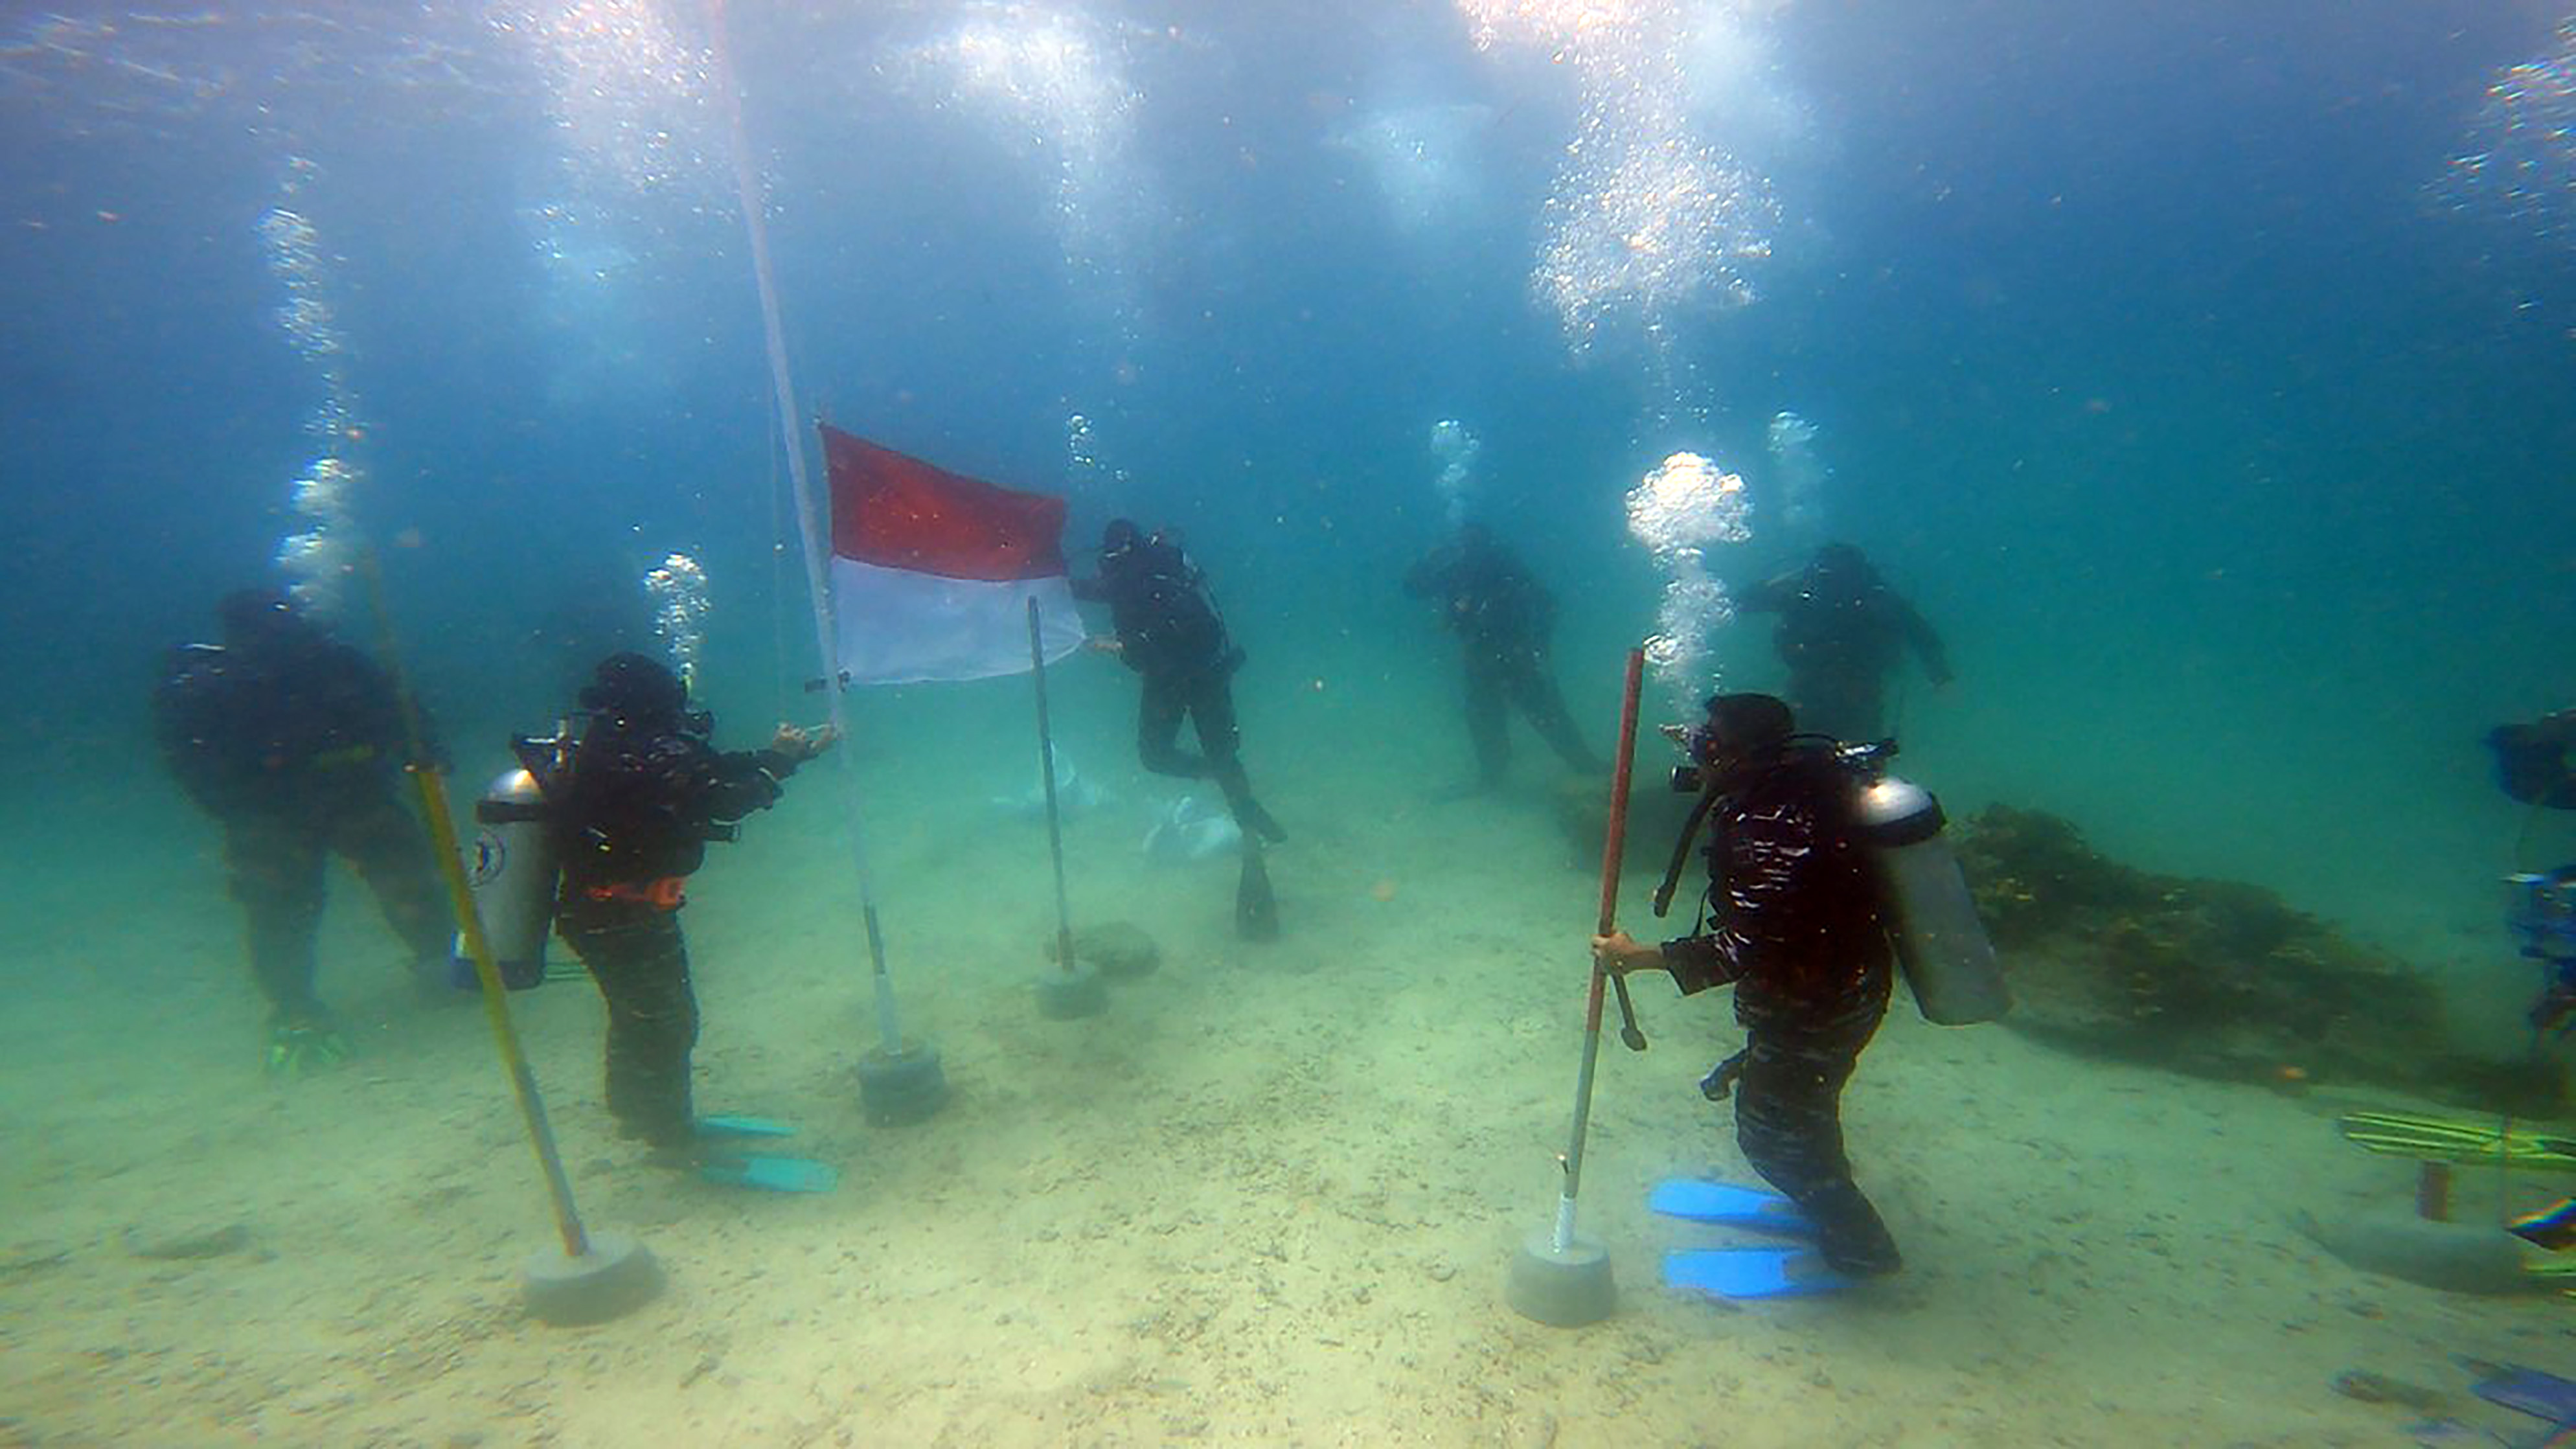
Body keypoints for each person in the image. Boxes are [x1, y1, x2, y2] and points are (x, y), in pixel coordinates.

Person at [1591, 692, 1904, 1280]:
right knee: (1802, 1116)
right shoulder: (1791, 778)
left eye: (1709, 741)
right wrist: (1694, 740)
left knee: (1774, 1138)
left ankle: (1862, 1249)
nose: (1699, 748)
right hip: (1829, 987)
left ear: (1736, 752)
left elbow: (1750, 945)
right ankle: (1822, 1188)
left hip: (1820, 1002)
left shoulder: (1769, 825)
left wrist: (1640, 957)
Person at [543, 652, 835, 1159]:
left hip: (606, 913)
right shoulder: (642, 750)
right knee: (667, 1022)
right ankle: (668, 1134)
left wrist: (780, 757)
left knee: (639, 1017)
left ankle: (638, 1115)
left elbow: (710, 770)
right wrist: (779, 764)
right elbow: (718, 797)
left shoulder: (615, 743)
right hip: (621, 916)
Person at [153, 587, 454, 1075]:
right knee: (287, 908)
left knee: (398, 883)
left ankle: (430, 963)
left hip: (330, 796)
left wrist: (426, 748)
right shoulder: (218, 681)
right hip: (280, 808)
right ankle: (297, 1008)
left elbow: (399, 711)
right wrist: (237, 806)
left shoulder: (324, 663)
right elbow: (190, 756)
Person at [1072, 519, 1286, 843]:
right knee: (1216, 755)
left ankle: (1234, 794)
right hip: (1200, 673)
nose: (1105, 569)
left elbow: (1174, 621)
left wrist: (1120, 644)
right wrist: (1054, 582)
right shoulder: (1152, 570)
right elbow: (1095, 590)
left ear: (1120, 552)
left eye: (1110, 560)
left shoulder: (1135, 577)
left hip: (1180, 677)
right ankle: (1238, 796)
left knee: (1159, 755)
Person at [1402, 522, 1603, 792]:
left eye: (1475, 541)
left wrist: (1541, 643)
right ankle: (1495, 774)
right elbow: (1414, 589)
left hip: (1510, 651)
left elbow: (1546, 601)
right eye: (1467, 542)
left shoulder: (1500, 563)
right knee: (1491, 714)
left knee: (1534, 710)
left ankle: (1580, 763)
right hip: (1486, 653)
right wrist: (1428, 561)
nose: (1472, 548)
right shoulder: (1458, 569)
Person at [1738, 542, 1951, 742]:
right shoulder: (1874, 596)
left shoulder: (1802, 591)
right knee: (1854, 751)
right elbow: (1922, 636)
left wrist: (1941, 677)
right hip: (1848, 684)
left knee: (1805, 742)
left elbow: (1745, 601)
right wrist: (1941, 678)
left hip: (1828, 683)